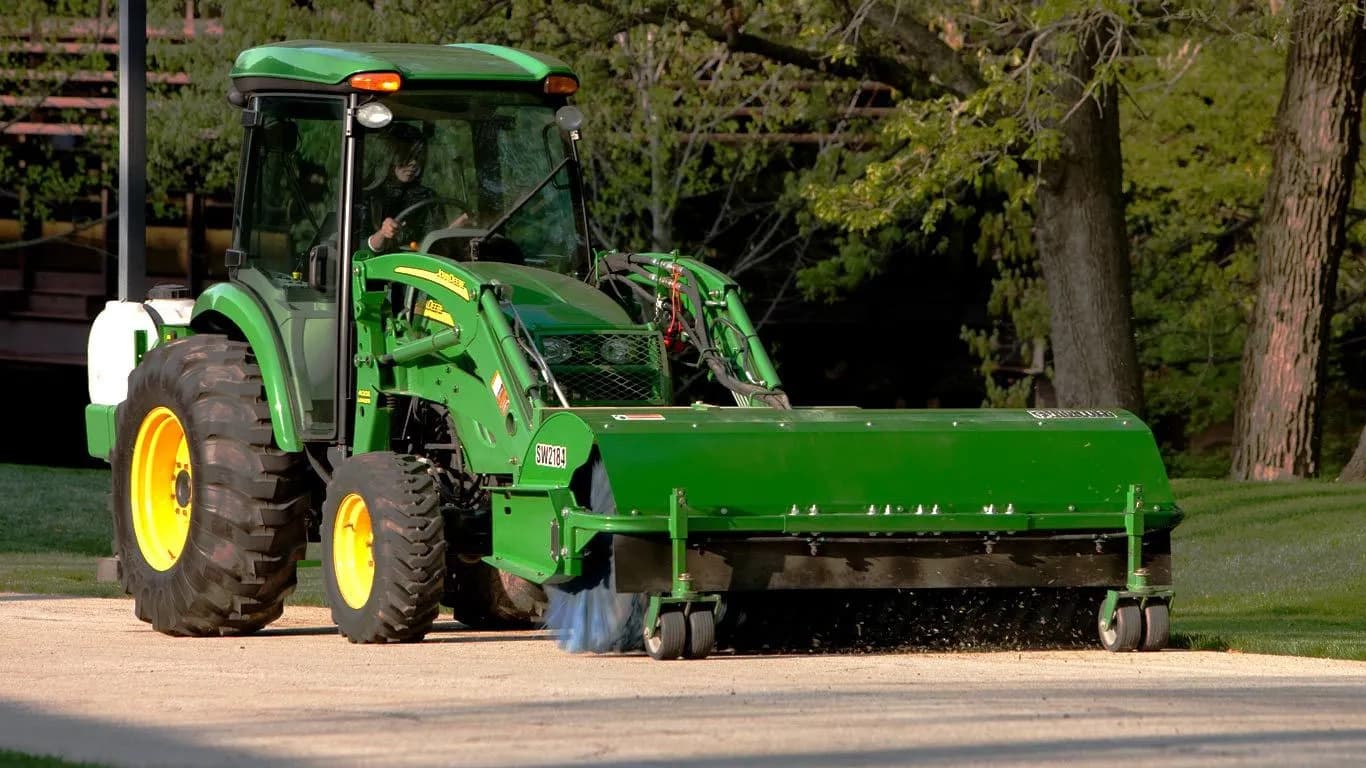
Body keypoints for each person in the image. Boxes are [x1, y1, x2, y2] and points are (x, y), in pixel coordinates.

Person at [363, 123, 471, 253]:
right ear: (390, 157)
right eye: (407, 156)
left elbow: (433, 247)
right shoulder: (368, 198)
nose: (413, 163)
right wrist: (382, 233)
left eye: (418, 157)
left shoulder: (428, 198)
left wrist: (452, 230)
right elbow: (358, 250)